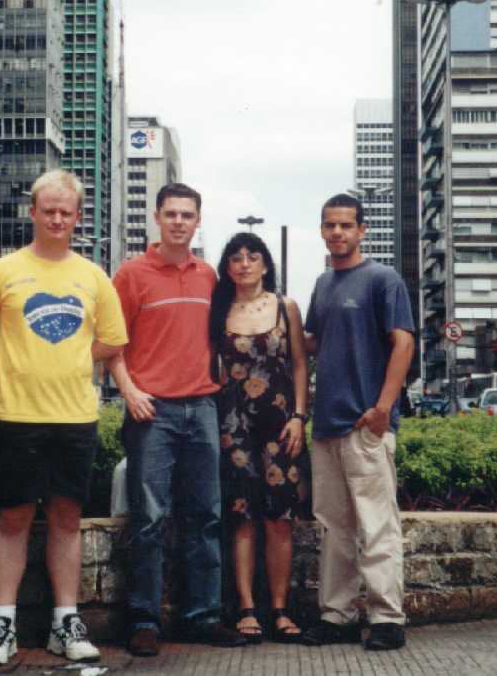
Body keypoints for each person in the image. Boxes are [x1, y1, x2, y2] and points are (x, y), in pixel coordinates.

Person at [0, 171, 128, 666]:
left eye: (66, 212)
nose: (57, 219)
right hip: (15, 415)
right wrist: (12, 362)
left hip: (76, 417)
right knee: (13, 517)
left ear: (78, 217)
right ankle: (3, 623)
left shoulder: (93, 277)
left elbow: (113, 341)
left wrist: (76, 360)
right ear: (32, 212)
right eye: (48, 210)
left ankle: (65, 621)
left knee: (66, 517)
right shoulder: (2, 271)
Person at [108, 184, 244, 656]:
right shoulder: (131, 274)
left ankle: (201, 616)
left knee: (206, 515)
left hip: (202, 407)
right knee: (148, 519)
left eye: (187, 214)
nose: (179, 222)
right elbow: (111, 344)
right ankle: (144, 619)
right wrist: (129, 392)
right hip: (154, 411)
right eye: (171, 214)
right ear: (157, 217)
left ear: (198, 220)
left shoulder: (209, 276)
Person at [300, 193, 415, 652]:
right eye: (330, 225)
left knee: (376, 524)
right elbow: (311, 343)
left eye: (346, 225)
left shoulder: (383, 279)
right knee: (335, 526)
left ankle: (387, 617)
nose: (338, 233)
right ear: (322, 229)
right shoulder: (323, 284)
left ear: (362, 229)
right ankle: (338, 615)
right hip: (326, 425)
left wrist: (383, 408)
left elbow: (402, 343)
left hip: (366, 424)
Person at [210, 232, 310, 644]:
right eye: (236, 258)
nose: (245, 263)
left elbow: (302, 366)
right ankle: (247, 608)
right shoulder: (218, 311)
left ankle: (281, 608)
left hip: (280, 425)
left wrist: (300, 417)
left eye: (253, 257)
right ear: (227, 267)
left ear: (266, 264)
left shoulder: (286, 308)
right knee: (241, 515)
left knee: (279, 517)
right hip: (234, 426)